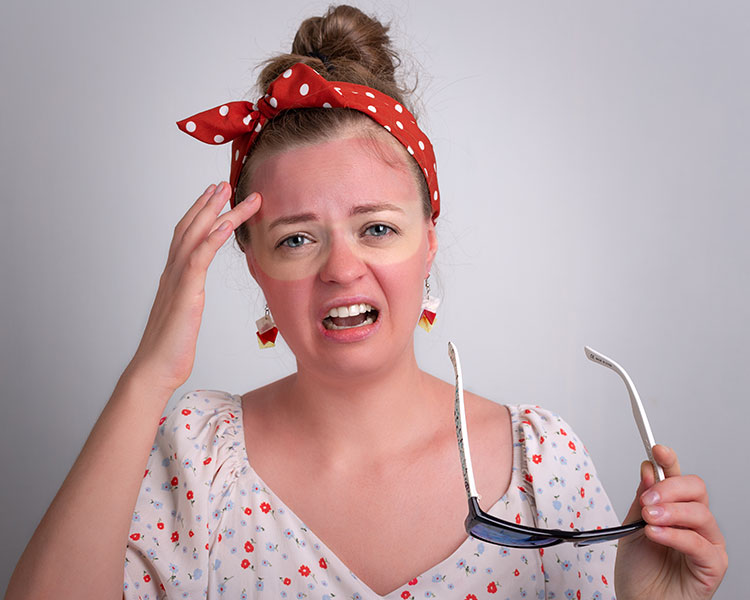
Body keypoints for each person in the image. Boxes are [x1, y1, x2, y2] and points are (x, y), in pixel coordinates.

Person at [6, 5, 727, 600]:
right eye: (295, 240)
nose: (342, 268)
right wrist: (149, 373)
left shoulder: (542, 464)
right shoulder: (197, 455)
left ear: (428, 243)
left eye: (377, 228)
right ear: (252, 264)